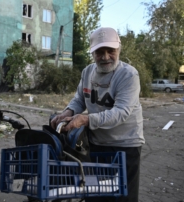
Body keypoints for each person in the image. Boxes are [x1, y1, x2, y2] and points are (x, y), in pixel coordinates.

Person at [50, 27, 145, 202]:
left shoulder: (129, 75)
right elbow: (79, 99)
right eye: (100, 52)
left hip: (125, 144)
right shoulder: (87, 72)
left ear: (119, 49)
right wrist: (67, 113)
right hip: (96, 143)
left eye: (111, 51)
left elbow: (121, 112)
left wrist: (85, 119)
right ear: (92, 53)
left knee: (123, 197)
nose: (106, 57)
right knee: (95, 194)